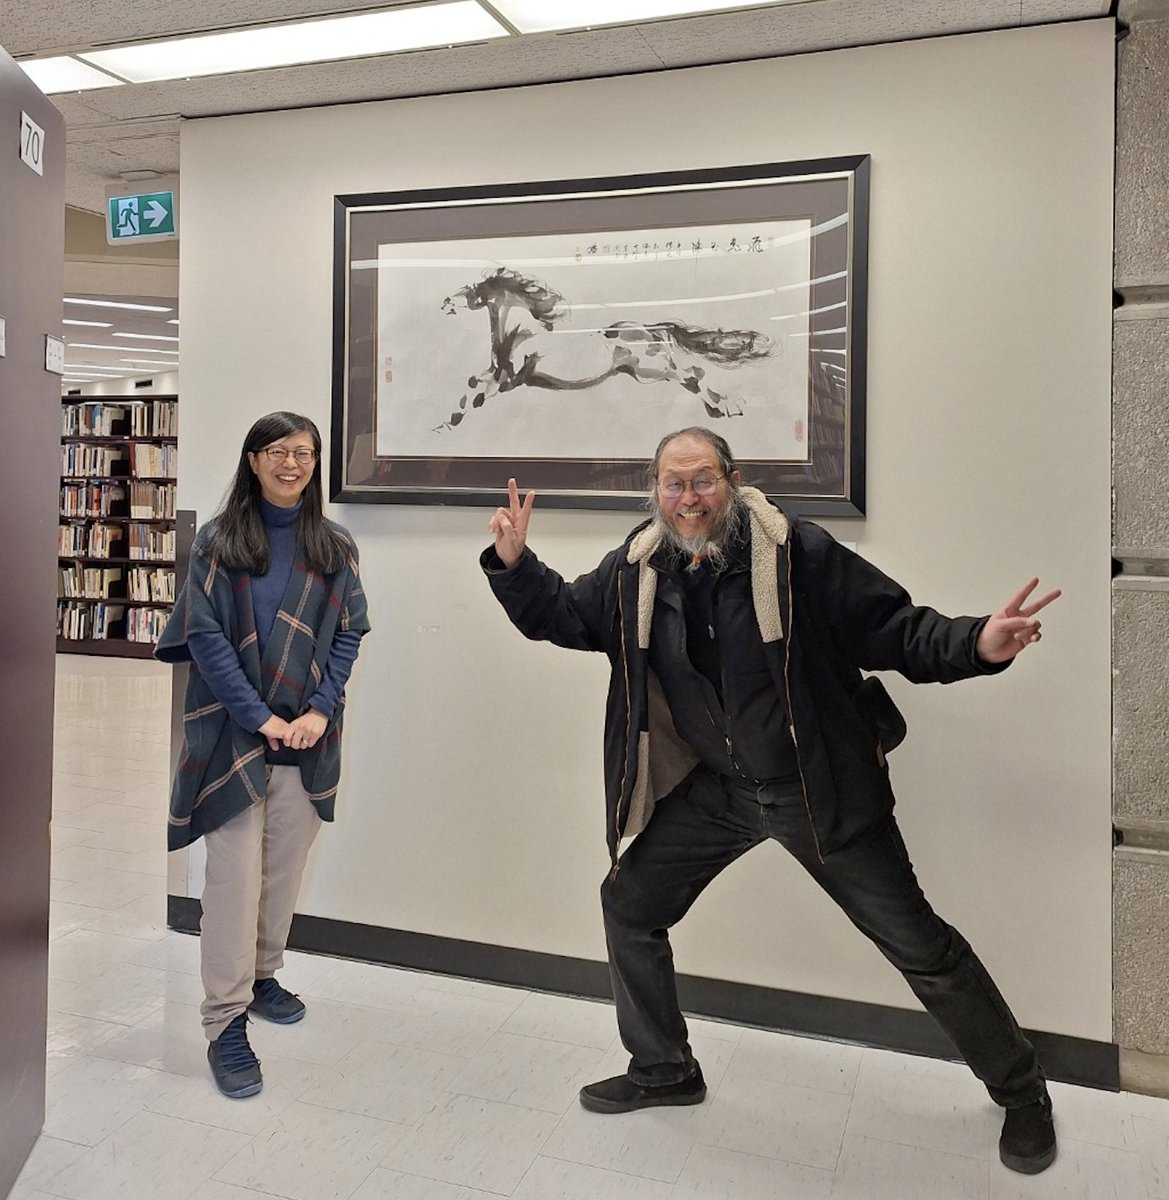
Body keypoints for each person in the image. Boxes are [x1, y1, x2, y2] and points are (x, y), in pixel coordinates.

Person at [481, 426, 1061, 1175]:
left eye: (701, 481)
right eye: (672, 483)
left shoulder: (797, 555)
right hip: (720, 791)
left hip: (815, 791)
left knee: (921, 947)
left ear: (730, 479)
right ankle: (665, 1070)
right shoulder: (637, 567)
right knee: (629, 903)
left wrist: (977, 642)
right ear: (655, 491)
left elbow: (893, 629)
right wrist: (514, 564)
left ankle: (1021, 1092)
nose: (687, 499)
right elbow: (563, 616)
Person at [156, 411, 370, 1099]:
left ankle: (264, 973)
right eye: (277, 451)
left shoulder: (334, 546)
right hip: (233, 737)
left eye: (303, 453)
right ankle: (225, 1022)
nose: (291, 463)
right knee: (232, 882)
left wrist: (317, 711)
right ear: (252, 460)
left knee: (282, 869)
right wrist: (258, 717)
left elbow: (348, 634)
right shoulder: (220, 542)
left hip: (307, 737)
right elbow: (206, 637)